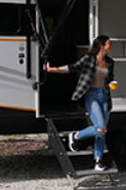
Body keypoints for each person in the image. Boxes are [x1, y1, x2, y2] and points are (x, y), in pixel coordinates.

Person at [45, 35, 115, 171]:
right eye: (109, 44)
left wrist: (111, 83)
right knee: (100, 128)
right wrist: (52, 69)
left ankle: (98, 161)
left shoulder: (110, 62)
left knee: (102, 132)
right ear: (101, 45)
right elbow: (72, 67)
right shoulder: (88, 59)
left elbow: (110, 79)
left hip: (105, 96)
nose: (110, 46)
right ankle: (76, 136)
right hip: (92, 95)